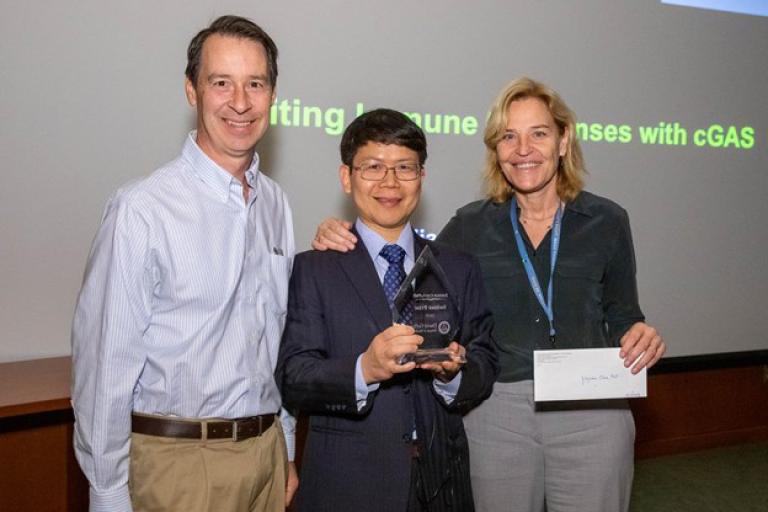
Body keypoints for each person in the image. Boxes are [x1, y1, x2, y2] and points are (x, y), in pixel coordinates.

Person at [312, 77, 666, 512]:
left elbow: (623, 313)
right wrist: (342, 233)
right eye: (508, 136)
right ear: (496, 150)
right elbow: (404, 273)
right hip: (497, 415)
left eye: (538, 133)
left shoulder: (608, 221)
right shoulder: (470, 226)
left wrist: (639, 333)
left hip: (591, 411)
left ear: (562, 140)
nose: (523, 149)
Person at [71, 15, 298, 512]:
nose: (240, 102)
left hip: (266, 458)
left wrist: (285, 443)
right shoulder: (142, 209)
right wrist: (107, 493)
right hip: (177, 465)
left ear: (272, 96)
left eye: (255, 84)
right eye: (221, 83)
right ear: (193, 92)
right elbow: (105, 366)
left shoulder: (276, 205)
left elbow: (274, 338)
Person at [276, 108, 498, 512]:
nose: (390, 182)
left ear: (422, 178)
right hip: (348, 485)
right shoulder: (315, 267)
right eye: (373, 167)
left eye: (404, 168)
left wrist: (454, 372)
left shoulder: (458, 266)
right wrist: (364, 369)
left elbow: (485, 361)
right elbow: (295, 376)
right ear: (347, 177)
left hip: (441, 485)